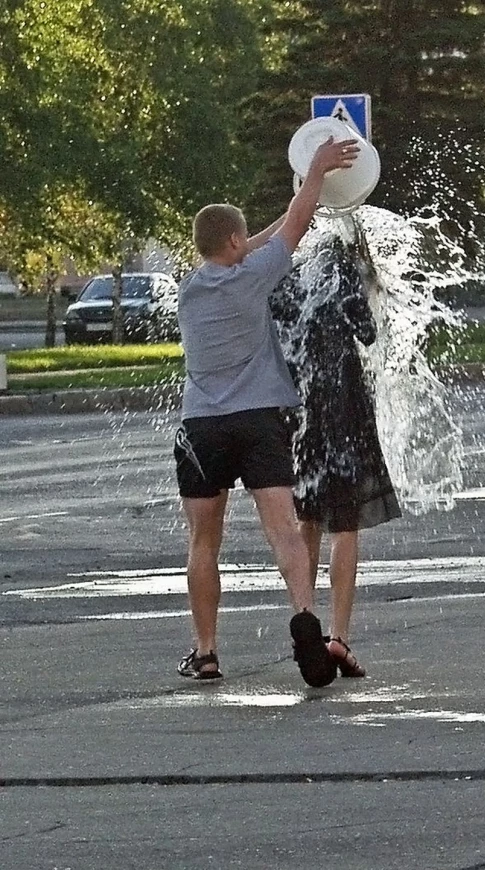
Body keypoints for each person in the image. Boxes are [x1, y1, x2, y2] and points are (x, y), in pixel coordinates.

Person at [174, 135, 360, 687]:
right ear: (235, 240)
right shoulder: (254, 279)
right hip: (259, 422)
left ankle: (206, 652)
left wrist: (297, 199)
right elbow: (293, 233)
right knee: (283, 530)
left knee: (204, 541)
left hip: (201, 426)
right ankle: (304, 616)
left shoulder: (190, 289)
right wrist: (318, 174)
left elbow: (255, 243)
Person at [271, 231, 402, 678]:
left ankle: (305, 622)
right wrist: (369, 275)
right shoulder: (337, 263)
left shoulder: (279, 269)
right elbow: (366, 332)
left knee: (305, 519)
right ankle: (339, 638)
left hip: (298, 406)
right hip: (345, 405)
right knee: (345, 526)